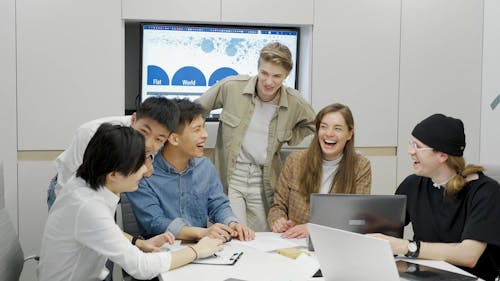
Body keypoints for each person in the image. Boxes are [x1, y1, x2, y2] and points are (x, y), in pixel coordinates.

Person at [38, 123, 223, 281]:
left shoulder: (85, 183)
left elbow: (102, 229)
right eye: (139, 165)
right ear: (114, 174)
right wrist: (198, 251)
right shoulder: (88, 206)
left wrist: (139, 243)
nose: (146, 171)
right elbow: (141, 267)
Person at [195, 42, 316, 231]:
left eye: (277, 76)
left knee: (261, 239)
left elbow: (314, 124)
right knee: (234, 234)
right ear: (258, 68)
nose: (269, 82)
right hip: (231, 176)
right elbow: (195, 110)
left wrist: (291, 136)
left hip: (263, 179)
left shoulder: (294, 101)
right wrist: (196, 139)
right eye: (264, 73)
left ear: (286, 75)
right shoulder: (231, 87)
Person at [370, 114, 500, 281]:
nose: (410, 152)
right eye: (411, 144)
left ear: (442, 156)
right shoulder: (412, 184)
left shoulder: (485, 191)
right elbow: (385, 226)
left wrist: (407, 247)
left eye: (417, 146)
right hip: (421, 275)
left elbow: (468, 255)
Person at [127, 99, 255, 242]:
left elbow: (218, 204)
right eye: (197, 129)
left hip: (202, 247)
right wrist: (201, 232)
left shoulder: (205, 167)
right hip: (160, 250)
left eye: (204, 127)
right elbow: (155, 221)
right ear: (174, 139)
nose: (205, 135)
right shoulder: (143, 172)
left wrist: (232, 223)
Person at [47, 96, 180, 209]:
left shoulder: (159, 143)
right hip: (68, 190)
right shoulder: (92, 134)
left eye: (159, 139)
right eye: (143, 132)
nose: (147, 144)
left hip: (108, 193)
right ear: (133, 120)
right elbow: (67, 184)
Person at [267, 103, 372, 238]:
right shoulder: (295, 161)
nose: (329, 133)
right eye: (323, 127)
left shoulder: (360, 166)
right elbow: (278, 206)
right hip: (294, 243)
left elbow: (357, 218)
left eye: (338, 129)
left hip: (335, 242)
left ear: (350, 134)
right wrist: (278, 221)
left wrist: (313, 228)